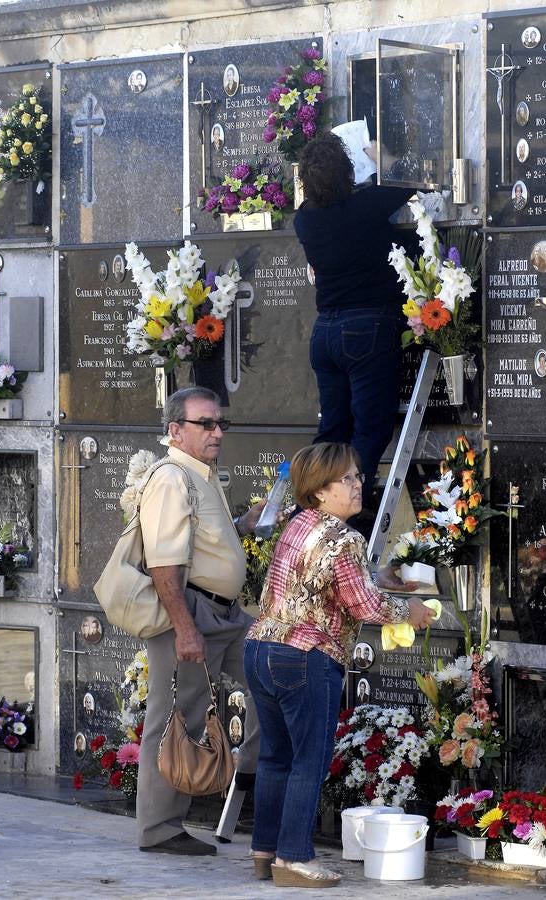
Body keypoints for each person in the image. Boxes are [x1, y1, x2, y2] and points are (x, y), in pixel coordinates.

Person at [244, 442, 437, 888]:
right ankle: (294, 859)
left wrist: (379, 577)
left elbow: (331, 581)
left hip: (260, 649)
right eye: (346, 479)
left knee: (275, 756)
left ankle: (264, 851)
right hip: (305, 657)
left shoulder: (299, 524)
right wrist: (410, 611)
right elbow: (365, 605)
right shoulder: (346, 538)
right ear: (319, 490)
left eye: (356, 475)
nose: (357, 484)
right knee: (309, 760)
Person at [136, 385, 263, 856]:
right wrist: (184, 628)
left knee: (271, 678)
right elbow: (162, 562)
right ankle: (160, 830)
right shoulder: (171, 477)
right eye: (205, 424)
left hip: (225, 614)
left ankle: (248, 779)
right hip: (191, 613)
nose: (216, 432)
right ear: (175, 431)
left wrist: (244, 524)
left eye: (220, 424)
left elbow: (204, 540)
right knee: (177, 718)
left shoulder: (201, 474)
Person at [294, 132, 419, 520]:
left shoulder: (304, 220)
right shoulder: (365, 206)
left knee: (332, 431)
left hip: (325, 332)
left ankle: (309, 516)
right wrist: (381, 155)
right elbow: (408, 180)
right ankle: (340, 513)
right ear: (347, 172)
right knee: (370, 428)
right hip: (366, 326)